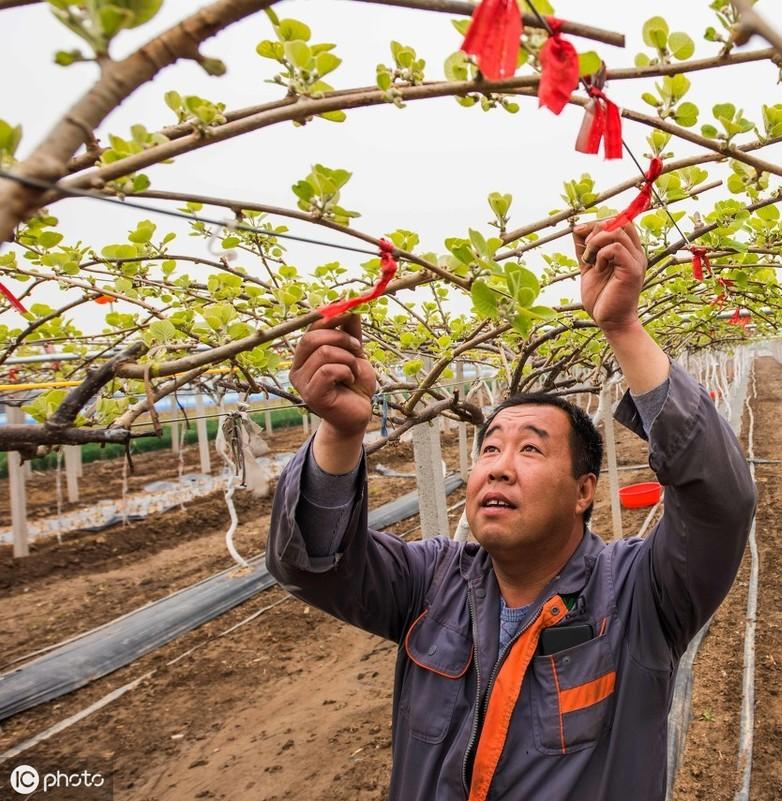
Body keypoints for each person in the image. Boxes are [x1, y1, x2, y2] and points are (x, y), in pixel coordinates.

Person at [266, 219, 757, 801]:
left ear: (583, 492)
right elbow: (313, 563)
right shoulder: (430, 585)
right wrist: (340, 433)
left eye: (530, 449)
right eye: (490, 447)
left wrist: (624, 328)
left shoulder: (639, 595)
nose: (498, 465)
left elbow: (720, 500)